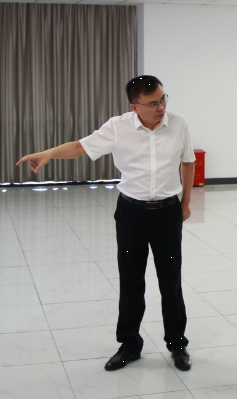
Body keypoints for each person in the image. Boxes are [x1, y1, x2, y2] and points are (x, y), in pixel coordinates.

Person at [16, 75, 195, 372]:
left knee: (170, 281)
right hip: (131, 213)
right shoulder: (118, 126)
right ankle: (129, 344)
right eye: (152, 103)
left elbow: (188, 162)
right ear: (135, 106)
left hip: (167, 212)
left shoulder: (179, 123)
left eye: (163, 99)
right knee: (131, 281)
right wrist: (49, 153)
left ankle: (177, 344)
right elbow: (80, 147)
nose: (161, 107)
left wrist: (185, 203)